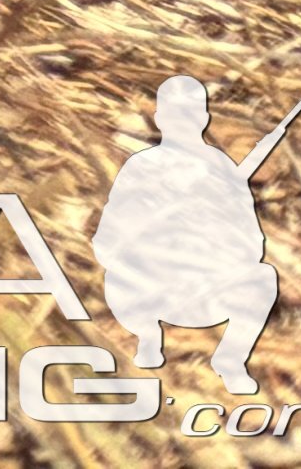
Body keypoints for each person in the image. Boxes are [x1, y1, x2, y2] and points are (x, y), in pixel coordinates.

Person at [91, 76, 278, 396]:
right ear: (160, 118)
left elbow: (252, 242)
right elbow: (107, 238)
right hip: (149, 287)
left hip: (206, 286)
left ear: (204, 119)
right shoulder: (141, 166)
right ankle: (147, 340)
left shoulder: (221, 167)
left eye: (190, 115)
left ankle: (231, 359)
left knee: (263, 277)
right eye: (176, 116)